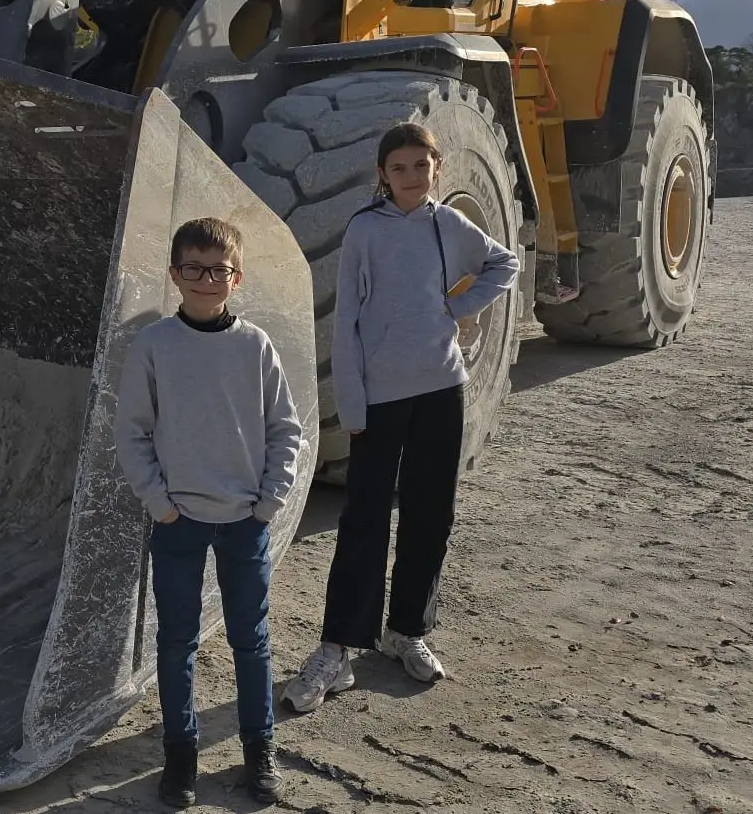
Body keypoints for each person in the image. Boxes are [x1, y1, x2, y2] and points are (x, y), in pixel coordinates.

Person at [282, 122, 520, 713]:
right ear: (382, 175)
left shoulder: (448, 225)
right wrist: (353, 403)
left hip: (442, 389)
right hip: (381, 399)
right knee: (363, 519)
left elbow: (504, 264)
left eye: (421, 165)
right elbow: (348, 321)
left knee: (430, 514)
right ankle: (336, 649)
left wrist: (456, 307)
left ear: (437, 168)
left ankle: (405, 631)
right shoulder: (365, 230)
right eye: (399, 167)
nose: (411, 176)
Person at [113, 216, 307, 809]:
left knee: (251, 640)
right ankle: (181, 758)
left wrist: (269, 502)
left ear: (236, 277)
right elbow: (132, 432)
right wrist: (160, 505)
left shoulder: (254, 346)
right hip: (178, 523)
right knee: (177, 643)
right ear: (175, 274)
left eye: (218, 270)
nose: (205, 279)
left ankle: (259, 751)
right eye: (193, 268)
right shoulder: (154, 345)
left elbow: (286, 429)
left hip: (244, 521)